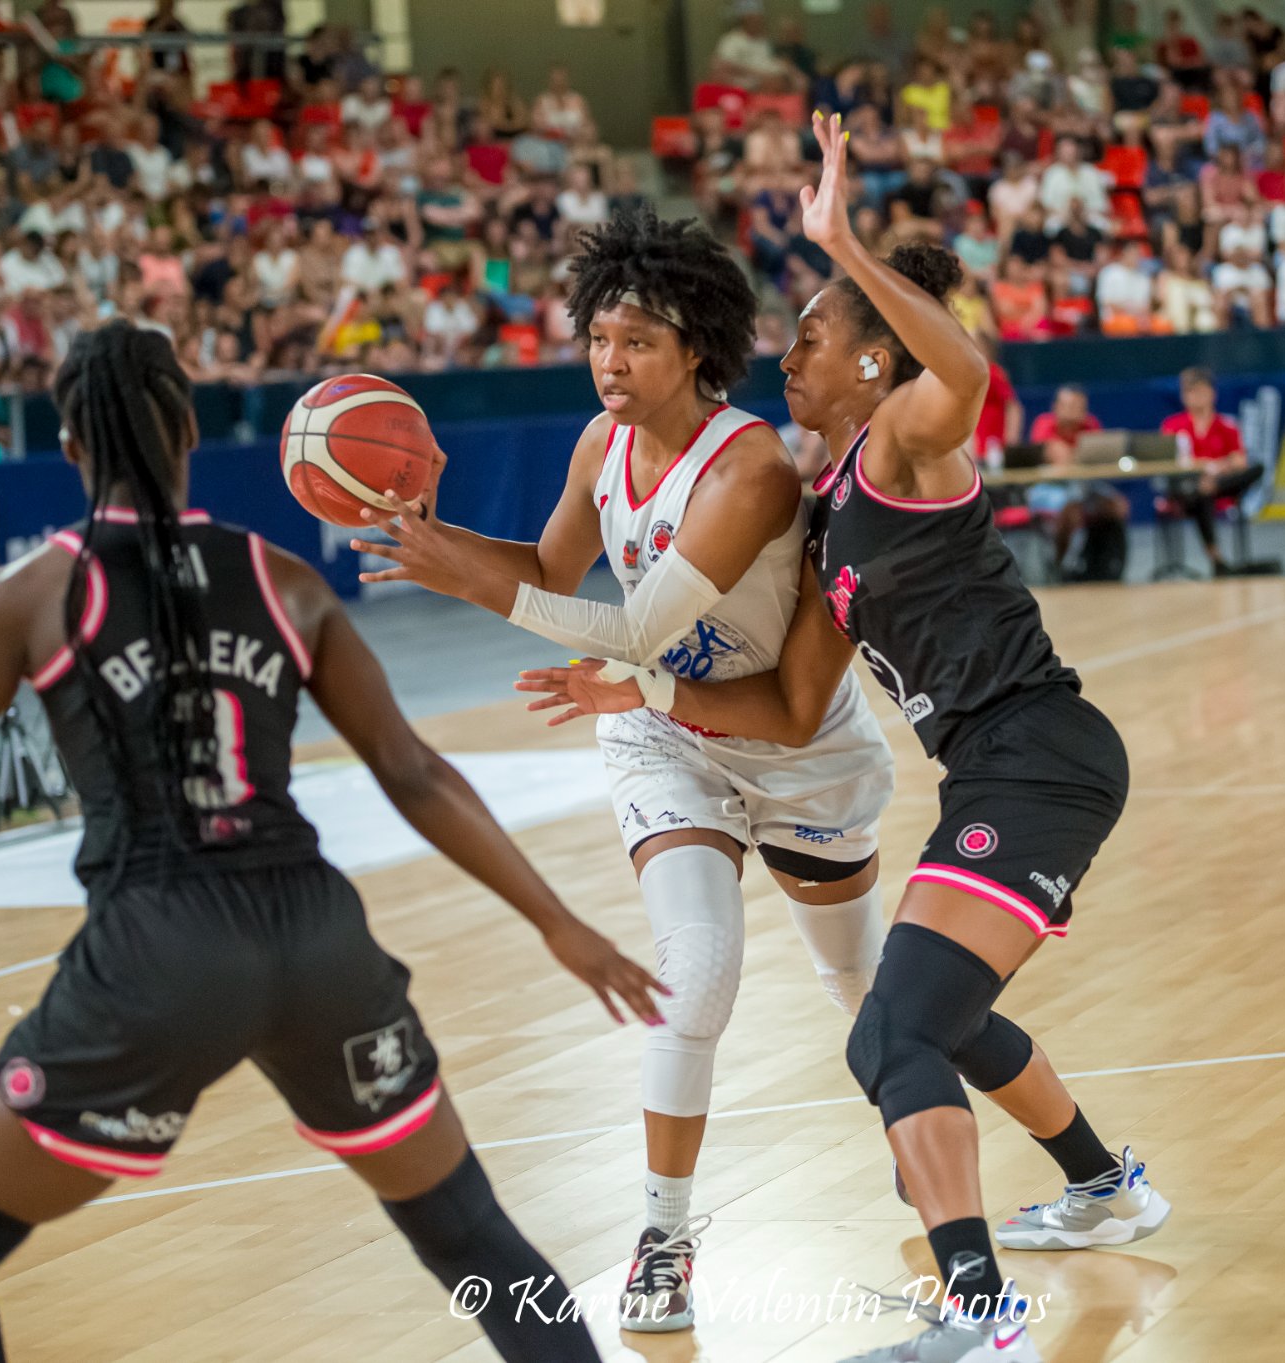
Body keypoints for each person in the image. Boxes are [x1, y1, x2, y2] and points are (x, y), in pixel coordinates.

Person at [0, 323, 663, 1362]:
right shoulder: (279, 578)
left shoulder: (34, 593)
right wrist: (557, 922)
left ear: (70, 447)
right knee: (470, 1236)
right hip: (315, 938)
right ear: (187, 431)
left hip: (159, 950)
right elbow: (413, 772)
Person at [519, 114, 1170, 1363]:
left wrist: (843, 245)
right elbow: (781, 707)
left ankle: (975, 1314)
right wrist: (645, 696)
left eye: (812, 336)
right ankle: (1105, 1187)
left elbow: (962, 374)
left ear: (875, 362)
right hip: (994, 771)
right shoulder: (823, 505)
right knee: (936, 1014)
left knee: (889, 1031)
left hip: (1039, 760)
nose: (790, 353)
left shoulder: (903, 448)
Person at [349, 206, 898, 1336]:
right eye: (599, 338)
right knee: (696, 970)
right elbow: (551, 570)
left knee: (861, 986)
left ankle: (921, 1125)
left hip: (784, 739)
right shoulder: (601, 445)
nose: (610, 361)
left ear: (695, 348)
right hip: (658, 727)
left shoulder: (750, 470)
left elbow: (639, 630)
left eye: (637, 341)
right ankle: (664, 1234)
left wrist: (460, 578)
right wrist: (436, 540)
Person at [1159, 366, 1264, 575]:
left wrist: (1216, 470)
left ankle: (1211, 486)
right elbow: (1172, 463)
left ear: (1212, 393)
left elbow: (1239, 461)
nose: (1196, 397)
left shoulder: (1227, 425)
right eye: (1190, 392)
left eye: (1200, 391)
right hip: (1188, 489)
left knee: (1256, 468)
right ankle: (1217, 559)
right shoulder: (1173, 426)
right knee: (1201, 493)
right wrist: (1206, 466)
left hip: (1220, 483)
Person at [1028, 385, 1130, 580]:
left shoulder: (1091, 424)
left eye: (1079, 406)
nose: (1074, 411)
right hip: (1049, 487)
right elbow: (1057, 457)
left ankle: (1104, 563)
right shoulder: (1044, 424)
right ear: (1056, 407)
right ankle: (1060, 566)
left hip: (1085, 485)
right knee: (1071, 508)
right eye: (1069, 406)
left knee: (1117, 506)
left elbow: (1099, 459)